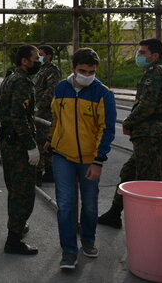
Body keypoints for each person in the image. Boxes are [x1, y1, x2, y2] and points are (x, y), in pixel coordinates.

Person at [45, 48, 116, 269]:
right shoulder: (61, 88)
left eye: (92, 71)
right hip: (62, 155)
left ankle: (88, 239)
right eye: (82, 71)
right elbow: (56, 119)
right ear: (72, 69)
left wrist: (98, 161)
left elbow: (107, 129)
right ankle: (68, 251)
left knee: (90, 205)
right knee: (65, 204)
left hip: (89, 158)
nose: (87, 75)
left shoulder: (103, 93)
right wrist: (50, 139)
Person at [98, 38, 162, 229]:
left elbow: (148, 104)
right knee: (129, 173)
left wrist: (129, 121)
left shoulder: (156, 72)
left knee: (148, 181)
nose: (138, 56)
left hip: (150, 134)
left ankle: (151, 224)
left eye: (142, 53)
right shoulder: (160, 71)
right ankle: (115, 213)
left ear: (155, 55)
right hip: (148, 134)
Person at [0, 45, 41, 255]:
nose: (38, 61)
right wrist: (31, 145)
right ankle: (13, 240)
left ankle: (18, 227)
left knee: (14, 189)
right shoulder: (22, 81)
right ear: (24, 61)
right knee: (23, 193)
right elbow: (18, 116)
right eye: (35, 58)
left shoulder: (10, 78)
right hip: (20, 145)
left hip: (9, 141)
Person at [34, 45, 61, 185]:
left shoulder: (52, 71)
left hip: (44, 112)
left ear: (49, 56)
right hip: (38, 111)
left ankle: (41, 173)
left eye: (41, 54)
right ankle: (47, 171)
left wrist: (38, 107)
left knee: (42, 141)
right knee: (41, 141)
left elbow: (51, 91)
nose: (39, 56)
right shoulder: (40, 70)